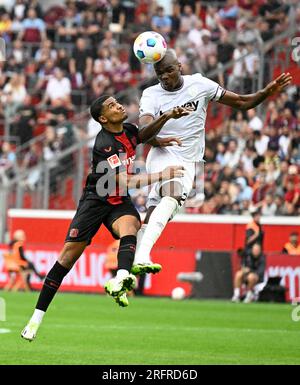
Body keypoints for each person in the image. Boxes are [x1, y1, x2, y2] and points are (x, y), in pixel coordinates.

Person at [21, 94, 192, 341]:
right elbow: (125, 180)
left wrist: (164, 130)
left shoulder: (129, 129)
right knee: (67, 258)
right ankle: (35, 320)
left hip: (118, 201)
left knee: (132, 225)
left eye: (117, 102)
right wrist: (162, 175)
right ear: (103, 118)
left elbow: (141, 136)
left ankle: (121, 278)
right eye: (112, 106)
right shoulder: (105, 144)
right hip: (96, 200)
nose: (119, 105)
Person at [132, 49, 291, 274]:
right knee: (172, 193)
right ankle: (141, 257)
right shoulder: (151, 94)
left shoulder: (199, 85)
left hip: (191, 161)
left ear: (180, 67)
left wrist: (267, 91)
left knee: (158, 210)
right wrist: (166, 117)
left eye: (169, 70)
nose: (165, 77)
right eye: (160, 73)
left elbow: (242, 102)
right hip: (162, 151)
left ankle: (126, 267)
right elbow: (143, 134)